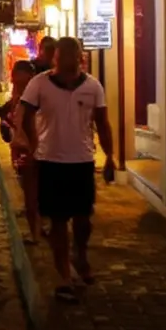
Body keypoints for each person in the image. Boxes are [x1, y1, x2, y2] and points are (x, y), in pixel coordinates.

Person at [18, 36, 114, 304]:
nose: (63, 64)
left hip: (82, 161)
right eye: (60, 59)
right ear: (55, 59)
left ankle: (80, 255)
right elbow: (25, 114)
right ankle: (64, 276)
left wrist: (110, 156)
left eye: (70, 58)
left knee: (83, 219)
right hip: (50, 161)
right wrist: (33, 144)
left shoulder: (93, 87)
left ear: (79, 59)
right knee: (58, 221)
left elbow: (102, 122)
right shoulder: (39, 84)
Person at [0, 60, 41, 244]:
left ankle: (37, 232)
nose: (15, 79)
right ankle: (37, 229)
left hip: (31, 149)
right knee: (29, 189)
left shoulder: (33, 98)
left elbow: (30, 126)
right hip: (23, 147)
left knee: (32, 192)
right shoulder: (19, 97)